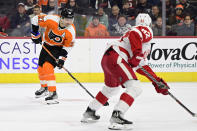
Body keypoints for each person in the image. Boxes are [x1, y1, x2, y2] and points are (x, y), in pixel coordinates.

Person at [81, 13, 170, 130]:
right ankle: (117, 117)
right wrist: (137, 53)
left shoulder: (136, 36)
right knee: (135, 87)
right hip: (117, 57)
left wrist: (156, 81)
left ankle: (89, 112)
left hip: (108, 58)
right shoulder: (143, 29)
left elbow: (141, 65)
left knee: (111, 89)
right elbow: (136, 34)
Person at [31, 8, 76, 104]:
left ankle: (53, 92)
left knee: (48, 67)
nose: (70, 22)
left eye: (71, 19)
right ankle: (44, 88)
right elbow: (35, 19)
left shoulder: (71, 31)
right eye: (67, 19)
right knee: (40, 67)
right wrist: (35, 34)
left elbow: (68, 46)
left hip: (58, 49)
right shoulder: (51, 19)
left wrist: (62, 59)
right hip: (46, 45)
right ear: (62, 18)